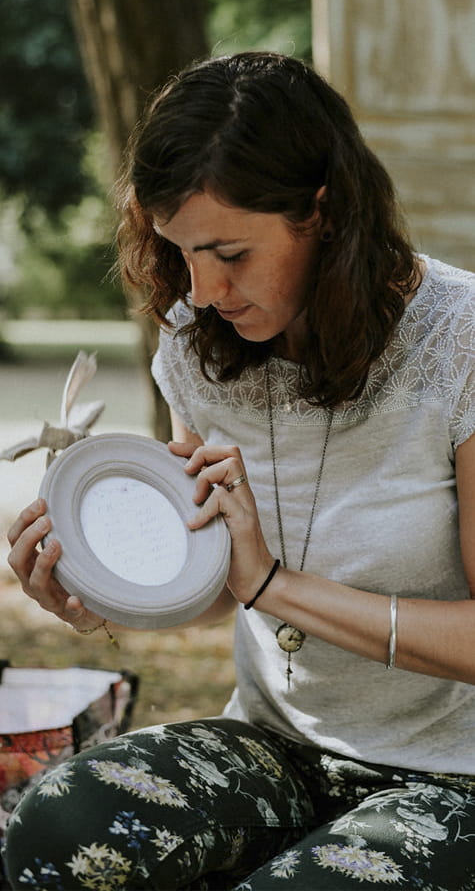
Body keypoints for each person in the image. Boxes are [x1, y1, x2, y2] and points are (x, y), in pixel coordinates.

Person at [4, 51, 475, 890]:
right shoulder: (195, 345)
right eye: (179, 251)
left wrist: (273, 587)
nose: (203, 288)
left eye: (229, 252)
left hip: (454, 773)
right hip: (277, 747)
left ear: (322, 212)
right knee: (58, 826)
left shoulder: (460, 343)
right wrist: (97, 592)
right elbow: (213, 582)